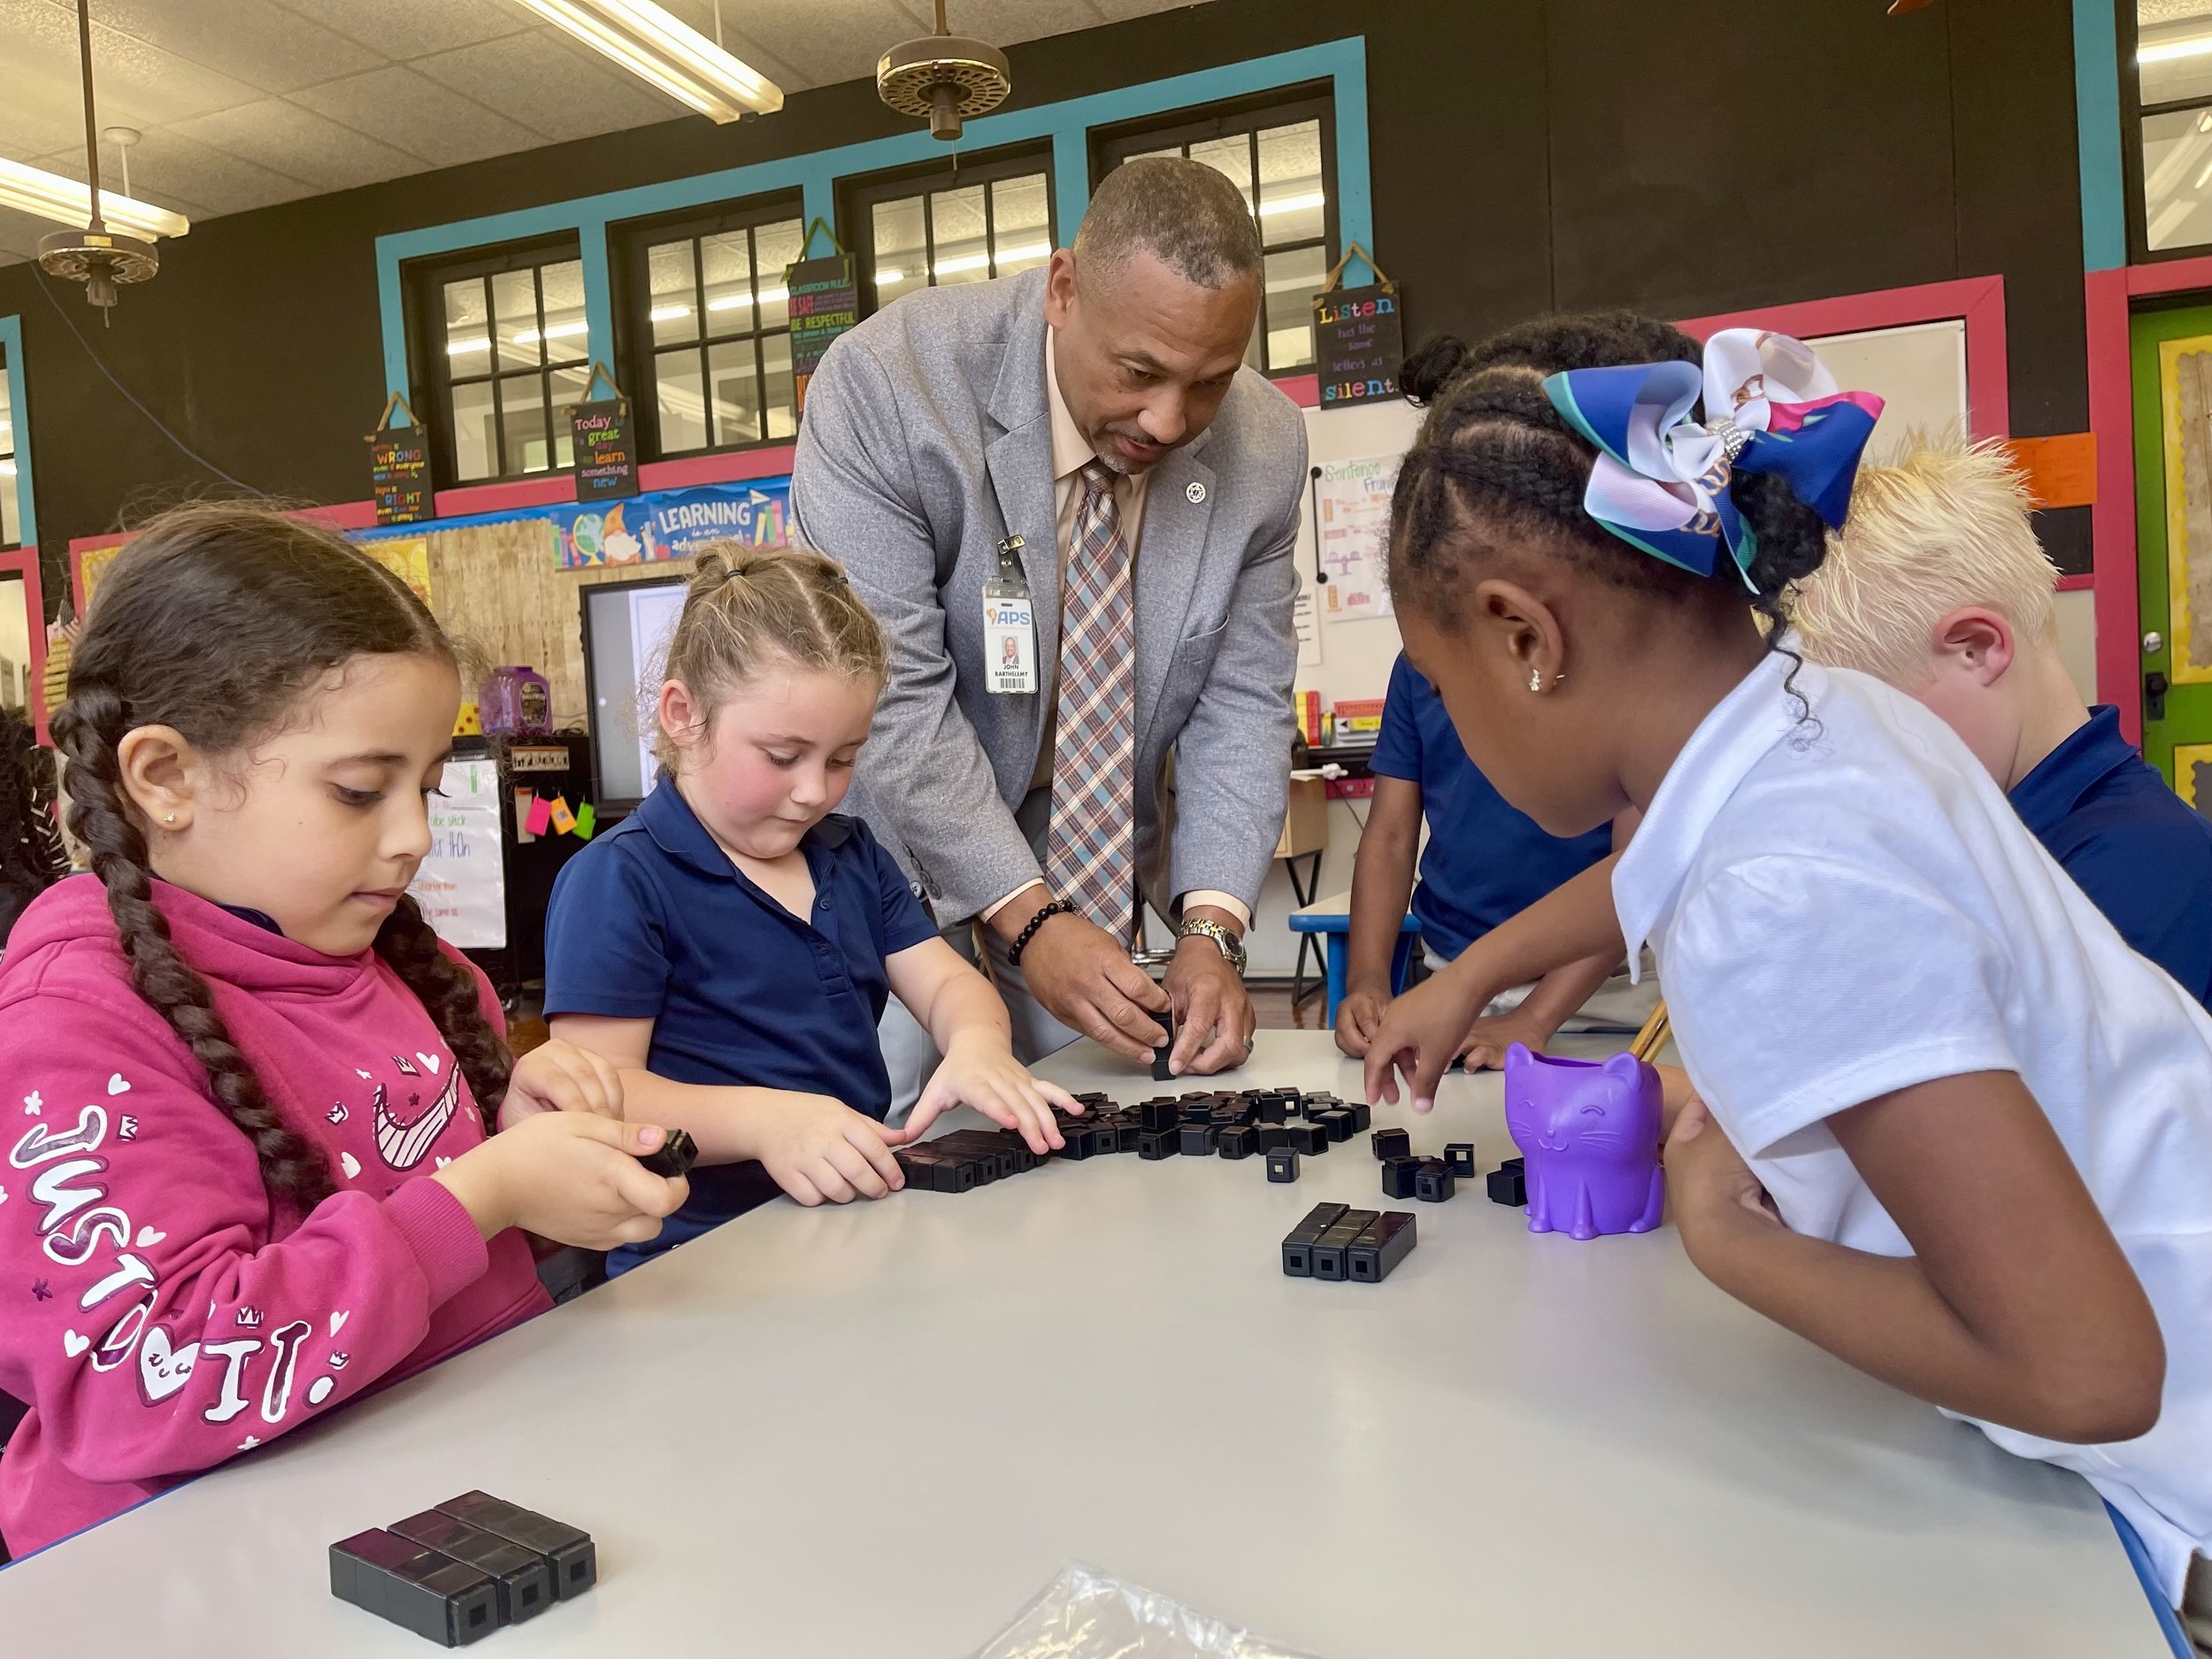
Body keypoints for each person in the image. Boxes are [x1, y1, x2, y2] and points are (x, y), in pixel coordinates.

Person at [1360, 315, 2212, 1639]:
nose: (1450, 714)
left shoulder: (1774, 884)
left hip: (2172, 1493)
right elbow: (1675, 877)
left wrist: (1730, 1240)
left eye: (1441, 681)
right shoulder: (1823, 715)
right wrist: (1468, 972)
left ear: (1523, 634)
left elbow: (2090, 1369)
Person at [0, 504, 686, 1556]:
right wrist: (484, 1192)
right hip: (202, 1571)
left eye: (424, 787)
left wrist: (525, 1153)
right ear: (167, 778)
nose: (413, 837)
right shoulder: (74, 1026)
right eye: (360, 792)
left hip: (456, 1492)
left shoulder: (401, 961)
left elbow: (440, 1243)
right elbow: (141, 1383)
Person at [792, 157, 1308, 1100]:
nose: (1168, 419)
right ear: (1063, 290)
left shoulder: (1265, 448)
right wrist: (1025, 917)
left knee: (1104, 1113)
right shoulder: (887, 387)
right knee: (914, 1129)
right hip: (894, 861)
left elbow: (1243, 705)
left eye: (1209, 383)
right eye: (1140, 372)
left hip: (1094, 845)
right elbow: (892, 694)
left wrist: (1211, 929)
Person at [543, 548, 1080, 1273]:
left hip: (855, 1227)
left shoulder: (851, 856)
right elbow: (599, 1097)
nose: (814, 791)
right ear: (684, 715)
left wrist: (978, 1044)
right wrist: (768, 1122)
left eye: (841, 758)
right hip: (694, 1260)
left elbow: (950, 984)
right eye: (782, 754)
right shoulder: (618, 881)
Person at [1793, 436, 2212, 1006]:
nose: (1857, 772)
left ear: (1978, 648)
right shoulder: (2003, 827)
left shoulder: (2139, 877)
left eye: (1869, 726)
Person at [1333, 649, 1626, 1067]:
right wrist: (1368, 981)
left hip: (1604, 991)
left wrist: (1534, 1018)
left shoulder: (1614, 657)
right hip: (1455, 985)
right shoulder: (1421, 657)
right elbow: (1389, 837)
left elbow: (1634, 867)